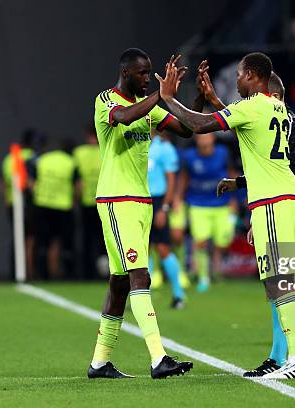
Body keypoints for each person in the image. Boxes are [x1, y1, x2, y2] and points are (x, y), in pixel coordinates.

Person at [157, 52, 295, 379]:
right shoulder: (280, 110)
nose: (237, 80)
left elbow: (199, 125)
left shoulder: (252, 106)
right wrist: (214, 99)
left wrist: (169, 98)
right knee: (278, 282)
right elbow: (252, 140)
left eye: (240, 75)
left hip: (273, 201)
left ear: (254, 76)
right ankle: (294, 357)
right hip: (286, 197)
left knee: (278, 282)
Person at [88, 49, 199, 380]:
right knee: (140, 276)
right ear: (124, 72)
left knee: (120, 284)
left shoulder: (148, 109)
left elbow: (186, 130)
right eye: (141, 73)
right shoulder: (106, 100)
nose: (147, 78)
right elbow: (122, 117)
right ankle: (158, 358)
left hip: (141, 201)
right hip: (116, 200)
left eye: (150, 73)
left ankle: (99, 363)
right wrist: (158, 96)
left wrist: (197, 99)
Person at [215, 72, 295, 377]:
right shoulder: (285, 122)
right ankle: (281, 354)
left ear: (269, 94)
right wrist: (241, 183)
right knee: (276, 284)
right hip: (282, 205)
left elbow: (288, 173)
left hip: (284, 207)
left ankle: (293, 356)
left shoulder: (291, 127)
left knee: (283, 282)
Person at [179, 132, 237, 293]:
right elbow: (184, 178)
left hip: (221, 203)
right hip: (198, 204)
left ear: (212, 138)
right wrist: (178, 198)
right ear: (196, 140)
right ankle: (203, 276)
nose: (204, 140)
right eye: (201, 137)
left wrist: (235, 199)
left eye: (207, 137)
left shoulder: (223, 153)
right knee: (201, 241)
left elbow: (231, 174)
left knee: (222, 241)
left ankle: (217, 270)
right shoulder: (189, 156)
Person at [147, 131, 186, 308]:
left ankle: (179, 294)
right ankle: (143, 297)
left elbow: (171, 179)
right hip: (138, 199)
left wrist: (164, 207)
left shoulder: (164, 148)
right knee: (141, 250)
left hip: (157, 201)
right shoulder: (137, 143)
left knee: (162, 248)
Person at [30, 139, 77, 280]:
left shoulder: (42, 160)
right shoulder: (70, 162)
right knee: (57, 242)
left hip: (42, 204)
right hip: (63, 206)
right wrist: (74, 201)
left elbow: (31, 182)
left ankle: (37, 273)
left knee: (40, 241)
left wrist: (38, 194)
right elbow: (78, 186)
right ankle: (54, 271)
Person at [1, 129, 37, 279]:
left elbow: (2, 183)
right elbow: (31, 183)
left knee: (17, 238)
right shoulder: (32, 158)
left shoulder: (10, 158)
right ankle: (29, 272)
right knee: (29, 239)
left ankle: (15, 271)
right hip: (27, 204)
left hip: (12, 203)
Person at [73, 125, 103, 279]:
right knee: (104, 240)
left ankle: (87, 272)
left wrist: (75, 199)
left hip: (86, 201)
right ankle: (105, 272)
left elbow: (76, 179)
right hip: (104, 200)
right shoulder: (105, 149)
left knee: (87, 239)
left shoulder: (79, 153)